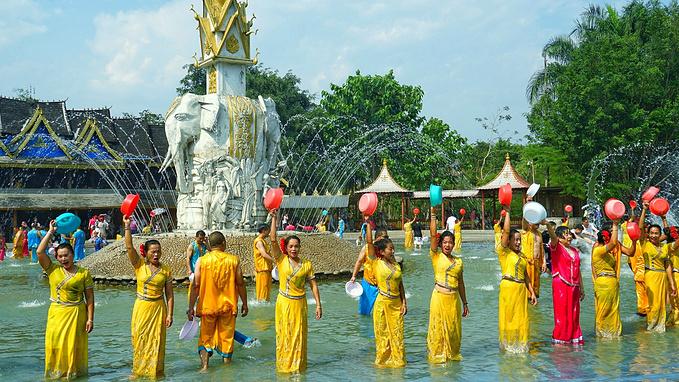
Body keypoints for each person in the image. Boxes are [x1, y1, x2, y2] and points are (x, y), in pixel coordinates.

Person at [37, 220, 94, 379]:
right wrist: (50, 232)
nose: (63, 259)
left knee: (72, 345)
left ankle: (72, 373)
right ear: (56, 257)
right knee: (55, 344)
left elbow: (89, 297)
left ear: (72, 254)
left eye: (66, 255)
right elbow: (40, 253)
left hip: (77, 313)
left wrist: (90, 319)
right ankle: (56, 373)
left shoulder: (84, 273)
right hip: (57, 313)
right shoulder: (52, 269)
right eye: (60, 256)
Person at [269, 210, 322, 373]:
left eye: (296, 246)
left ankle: (298, 366)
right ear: (287, 247)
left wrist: (318, 305)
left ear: (300, 247)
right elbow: (272, 239)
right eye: (291, 246)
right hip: (284, 302)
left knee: (298, 335)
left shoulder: (307, 264)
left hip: (300, 304)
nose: (294, 249)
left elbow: (313, 285)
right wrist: (274, 219)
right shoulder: (281, 259)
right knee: (285, 333)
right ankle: (285, 366)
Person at [188, 231, 248, 370]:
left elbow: (196, 285)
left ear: (210, 244)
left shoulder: (202, 261)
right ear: (223, 243)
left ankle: (204, 367)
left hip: (208, 306)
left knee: (205, 337)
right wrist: (244, 303)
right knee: (227, 338)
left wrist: (191, 307)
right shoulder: (233, 260)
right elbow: (240, 283)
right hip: (228, 306)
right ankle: (226, 368)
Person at [124, 216, 174, 377]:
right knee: (140, 338)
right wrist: (126, 227)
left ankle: (155, 372)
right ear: (146, 253)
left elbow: (170, 294)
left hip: (159, 308)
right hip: (142, 307)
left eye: (159, 251)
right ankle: (138, 371)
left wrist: (170, 314)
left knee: (157, 340)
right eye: (153, 252)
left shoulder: (165, 270)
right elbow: (129, 248)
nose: (156, 254)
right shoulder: (139, 265)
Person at [427, 206, 468, 363]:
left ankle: (451, 355)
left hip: (454, 299)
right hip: (438, 297)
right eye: (444, 242)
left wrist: (465, 302)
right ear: (440, 243)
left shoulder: (459, 261)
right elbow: (432, 235)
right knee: (438, 329)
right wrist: (433, 214)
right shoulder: (436, 256)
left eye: (450, 242)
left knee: (453, 329)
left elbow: (461, 283)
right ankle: (437, 356)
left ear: (454, 244)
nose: (447, 245)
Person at [367, 222, 407, 368]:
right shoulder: (376, 263)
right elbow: (369, 243)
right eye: (390, 249)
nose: (393, 251)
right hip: (382, 302)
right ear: (382, 252)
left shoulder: (396, 265)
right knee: (383, 334)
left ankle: (398, 362)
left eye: (393, 249)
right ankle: (383, 363)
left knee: (397, 334)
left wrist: (404, 302)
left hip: (396, 304)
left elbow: (400, 283)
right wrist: (367, 223)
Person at [497, 209, 537, 353]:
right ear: (509, 241)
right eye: (516, 240)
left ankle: (519, 344)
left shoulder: (521, 256)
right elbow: (506, 231)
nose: (518, 242)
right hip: (508, 287)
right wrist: (508, 211)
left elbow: (526, 276)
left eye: (519, 239)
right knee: (509, 316)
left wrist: (531, 292)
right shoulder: (504, 252)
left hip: (520, 289)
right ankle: (508, 345)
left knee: (521, 317)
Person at [591, 221, 636, 338]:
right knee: (603, 310)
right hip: (602, 281)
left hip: (613, 281)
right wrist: (596, 282)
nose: (614, 232)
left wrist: (635, 241)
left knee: (613, 309)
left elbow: (631, 253)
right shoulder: (597, 246)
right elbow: (593, 265)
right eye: (612, 231)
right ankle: (601, 334)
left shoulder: (617, 244)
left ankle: (613, 333)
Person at [638, 201, 677, 332]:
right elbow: (640, 227)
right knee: (653, 304)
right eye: (652, 233)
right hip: (651, 274)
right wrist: (644, 210)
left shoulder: (664, 247)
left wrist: (672, 284)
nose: (654, 235)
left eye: (656, 233)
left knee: (662, 304)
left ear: (659, 234)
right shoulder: (645, 243)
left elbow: (667, 266)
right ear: (648, 234)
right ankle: (650, 327)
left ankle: (660, 328)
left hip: (663, 276)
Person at [546, 221, 584, 345]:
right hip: (561, 284)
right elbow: (552, 236)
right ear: (559, 238)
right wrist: (547, 224)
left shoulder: (574, 250)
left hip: (575, 286)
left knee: (574, 313)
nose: (569, 236)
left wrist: (582, 288)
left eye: (569, 234)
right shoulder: (557, 247)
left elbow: (578, 270)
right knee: (562, 313)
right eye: (566, 234)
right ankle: (561, 339)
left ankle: (574, 338)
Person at [350, 222, 388, 315]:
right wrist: (354, 276)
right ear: (378, 237)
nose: (387, 239)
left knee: (380, 312)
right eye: (385, 237)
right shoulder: (367, 248)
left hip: (381, 285)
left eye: (387, 237)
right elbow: (359, 261)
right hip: (368, 284)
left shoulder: (385, 250)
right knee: (365, 312)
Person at [621, 214, 649, 316]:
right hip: (645, 275)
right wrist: (644, 210)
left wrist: (635, 271)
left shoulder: (635, 246)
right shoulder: (642, 243)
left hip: (638, 276)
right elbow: (640, 227)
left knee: (642, 304)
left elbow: (629, 262)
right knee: (648, 304)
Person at [253, 224, 274, 302]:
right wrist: (275, 261)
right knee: (263, 291)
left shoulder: (263, 241)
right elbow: (264, 254)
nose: (269, 233)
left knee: (266, 290)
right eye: (268, 231)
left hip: (266, 269)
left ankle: (264, 304)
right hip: (263, 269)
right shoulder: (259, 241)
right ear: (264, 231)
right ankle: (261, 307)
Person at [185, 230, 208, 300]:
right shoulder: (192, 246)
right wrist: (189, 270)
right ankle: (191, 301)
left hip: (202, 269)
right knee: (193, 287)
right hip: (194, 270)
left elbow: (211, 250)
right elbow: (188, 258)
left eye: (202, 238)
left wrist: (206, 242)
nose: (201, 240)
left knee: (202, 287)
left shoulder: (204, 245)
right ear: (196, 237)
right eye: (200, 238)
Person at [665, 225, 679, 326]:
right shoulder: (670, 246)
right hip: (675, 275)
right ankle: (674, 321)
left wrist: (664, 219)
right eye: (676, 233)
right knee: (676, 301)